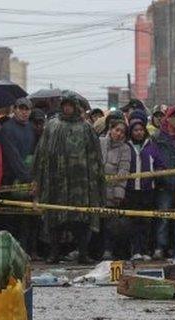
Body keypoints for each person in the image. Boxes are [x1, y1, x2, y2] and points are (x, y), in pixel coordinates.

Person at [33, 90, 105, 264]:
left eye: (70, 105)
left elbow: (94, 155)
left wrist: (95, 178)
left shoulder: (86, 127)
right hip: (56, 181)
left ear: (76, 107)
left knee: (81, 219)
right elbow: (42, 152)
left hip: (80, 183)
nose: (67, 108)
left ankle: (82, 253)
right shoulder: (52, 125)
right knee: (55, 219)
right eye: (64, 105)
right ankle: (54, 253)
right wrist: (38, 177)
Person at [0, 97, 38, 254]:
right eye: (21, 108)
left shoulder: (31, 129)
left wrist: (31, 178)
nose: (24, 111)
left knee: (26, 219)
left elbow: (33, 155)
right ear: (14, 109)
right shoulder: (7, 128)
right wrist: (26, 177)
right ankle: (9, 252)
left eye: (27, 109)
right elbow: (11, 155)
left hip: (27, 181)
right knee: (10, 218)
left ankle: (25, 251)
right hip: (9, 179)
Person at [151, 106, 175, 259]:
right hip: (163, 184)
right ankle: (160, 247)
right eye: (174, 117)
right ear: (167, 118)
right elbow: (152, 158)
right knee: (163, 217)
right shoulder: (157, 137)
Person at [126, 119, 165, 260]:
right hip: (131, 190)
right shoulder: (127, 146)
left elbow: (160, 163)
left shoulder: (152, 146)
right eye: (135, 130)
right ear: (131, 132)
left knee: (147, 222)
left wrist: (157, 173)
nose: (139, 132)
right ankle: (135, 250)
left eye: (141, 130)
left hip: (148, 190)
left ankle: (146, 250)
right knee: (134, 222)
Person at [97, 119, 132, 259]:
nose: (119, 134)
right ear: (110, 129)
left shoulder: (125, 149)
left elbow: (123, 171)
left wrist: (118, 194)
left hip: (111, 193)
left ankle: (108, 250)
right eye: (117, 130)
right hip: (96, 190)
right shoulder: (99, 142)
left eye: (122, 132)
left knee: (109, 225)